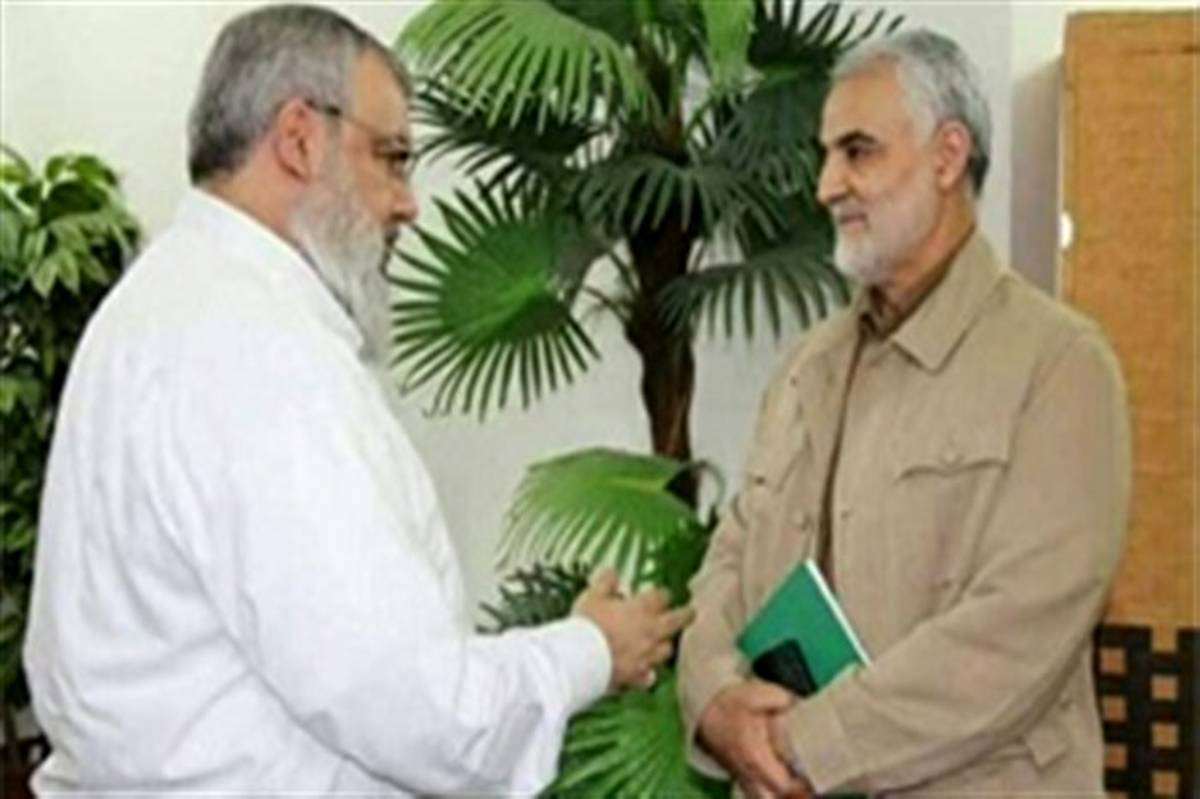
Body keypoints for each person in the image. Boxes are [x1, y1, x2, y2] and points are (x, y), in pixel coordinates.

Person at [23, 5, 691, 794]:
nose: (408, 203)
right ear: (300, 138)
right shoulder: (261, 354)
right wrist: (591, 649)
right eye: (392, 157)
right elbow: (413, 706)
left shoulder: (155, 304)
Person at [678, 28, 1131, 798]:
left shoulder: (1060, 366)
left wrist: (804, 743)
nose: (827, 185)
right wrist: (718, 702)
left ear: (948, 156)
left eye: (858, 151)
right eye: (826, 156)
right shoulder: (806, 369)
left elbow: (1015, 634)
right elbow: (730, 560)